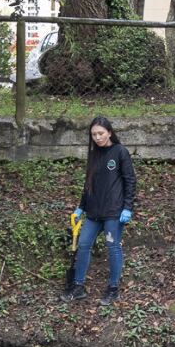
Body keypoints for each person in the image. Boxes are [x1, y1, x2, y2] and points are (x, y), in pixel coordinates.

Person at [62, 116, 136, 306]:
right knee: (84, 244)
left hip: (114, 211)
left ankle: (113, 288)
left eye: (100, 133)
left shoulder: (120, 152)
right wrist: (81, 207)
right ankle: (78, 287)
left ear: (109, 132)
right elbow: (89, 184)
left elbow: (130, 180)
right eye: (93, 134)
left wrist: (127, 207)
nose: (97, 137)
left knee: (113, 247)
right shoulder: (94, 154)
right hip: (93, 212)